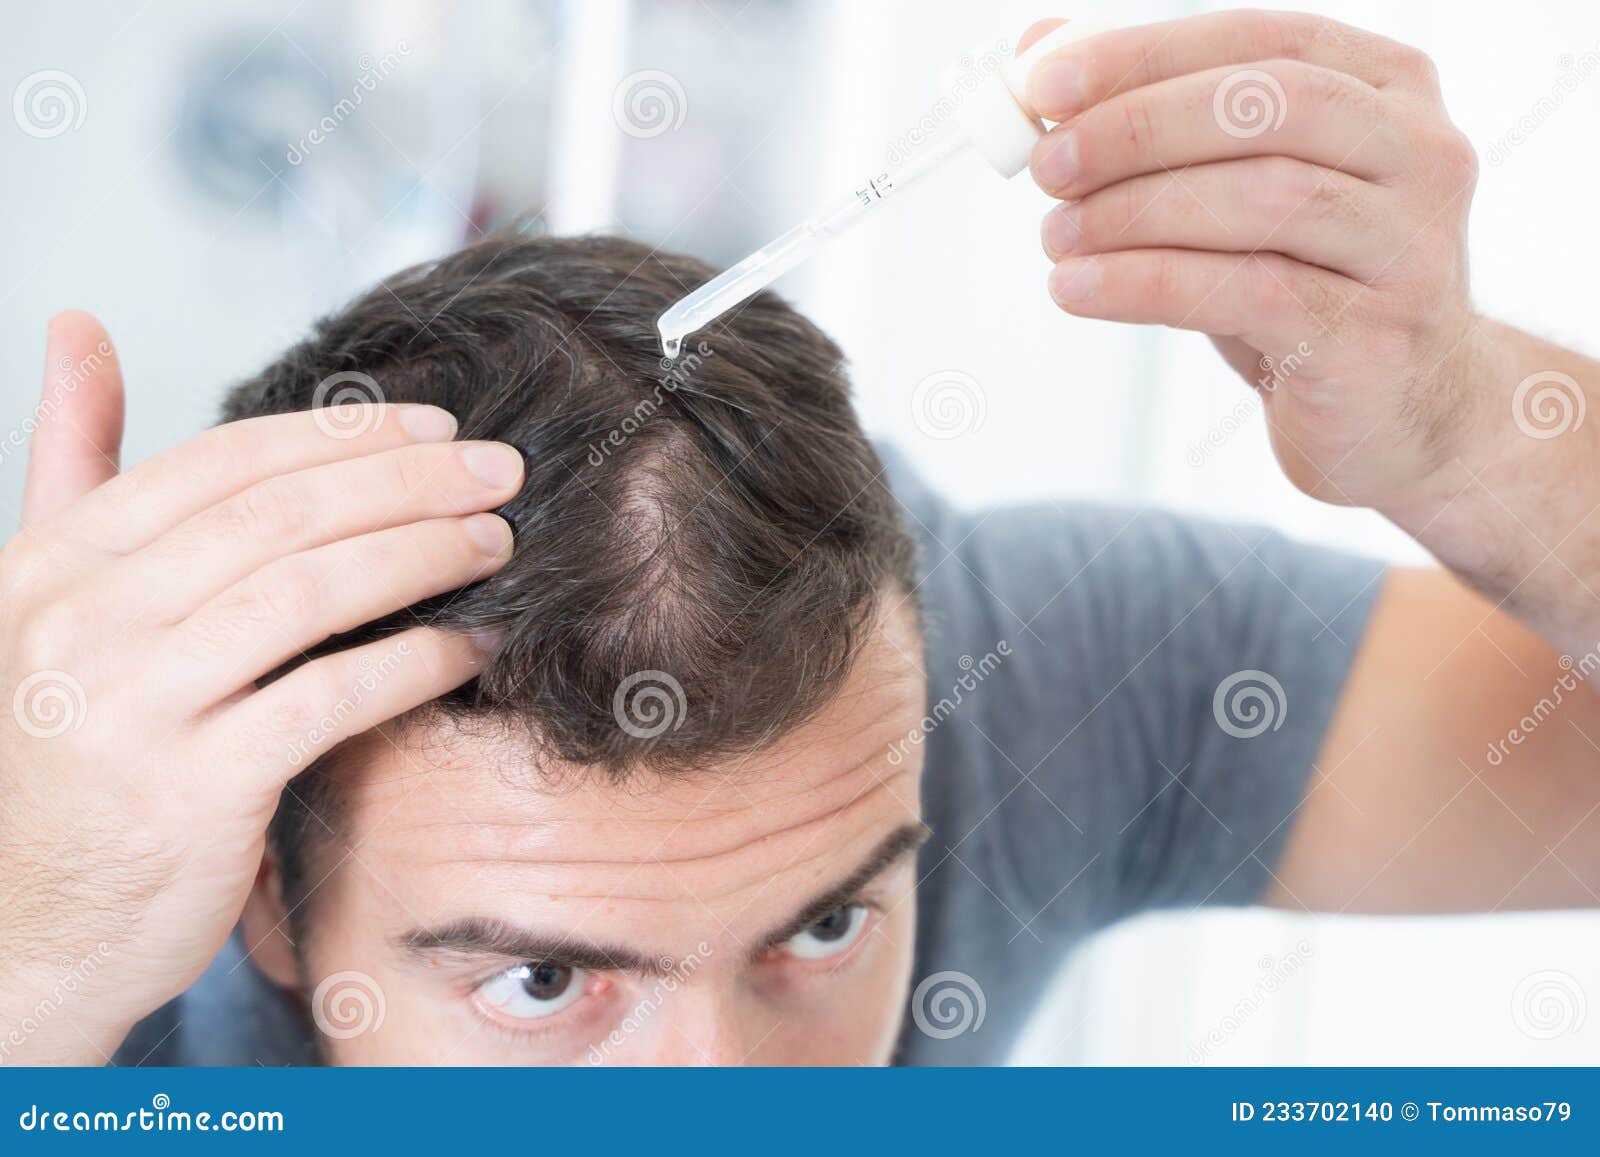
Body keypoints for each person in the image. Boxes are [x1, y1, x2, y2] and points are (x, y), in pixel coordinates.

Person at [3, 9, 1600, 1067]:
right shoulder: (105, 911)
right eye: (544, 982)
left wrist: (1477, 434)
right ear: (266, 911)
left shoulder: (1001, 681)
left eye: (826, 929)